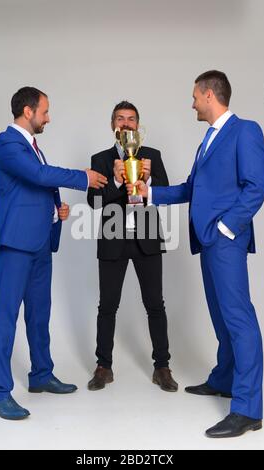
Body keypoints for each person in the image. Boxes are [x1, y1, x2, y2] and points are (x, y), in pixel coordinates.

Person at [131, 71, 264, 438]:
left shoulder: (246, 131)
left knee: (239, 318)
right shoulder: (208, 139)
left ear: (210, 95)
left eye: (194, 96)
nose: (191, 103)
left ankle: (247, 409)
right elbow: (191, 188)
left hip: (225, 240)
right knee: (222, 318)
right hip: (207, 241)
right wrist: (149, 194)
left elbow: (257, 187)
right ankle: (224, 378)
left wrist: (226, 228)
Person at [0, 86, 107, 420]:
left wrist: (56, 209)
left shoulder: (31, 146)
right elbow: (39, 175)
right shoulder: (7, 144)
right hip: (15, 244)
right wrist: (82, 177)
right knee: (5, 315)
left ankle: (41, 374)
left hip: (40, 242)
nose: (48, 118)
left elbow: (35, 186)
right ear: (28, 111)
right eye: (45, 111)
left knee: (40, 313)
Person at [87, 101, 178, 393]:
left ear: (138, 125)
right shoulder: (100, 160)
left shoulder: (152, 156)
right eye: (120, 119)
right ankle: (104, 367)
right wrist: (115, 179)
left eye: (131, 119)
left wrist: (148, 180)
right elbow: (94, 202)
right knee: (107, 306)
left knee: (155, 305)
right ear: (112, 125)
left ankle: (162, 367)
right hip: (112, 239)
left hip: (146, 238)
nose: (126, 124)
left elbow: (164, 195)